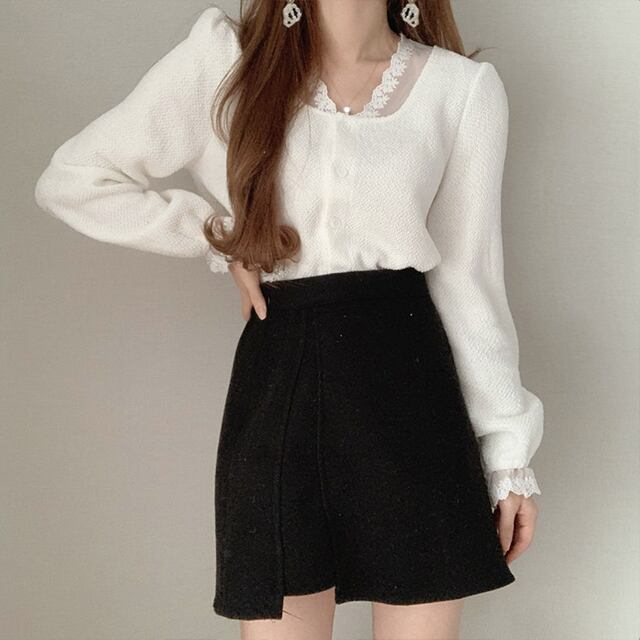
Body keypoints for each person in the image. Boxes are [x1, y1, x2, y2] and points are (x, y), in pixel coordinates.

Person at [33, 1, 544, 638]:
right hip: (282, 391)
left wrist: (508, 456)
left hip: (411, 392)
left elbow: (468, 279)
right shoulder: (228, 62)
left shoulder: (461, 90)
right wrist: (223, 238)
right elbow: (75, 178)